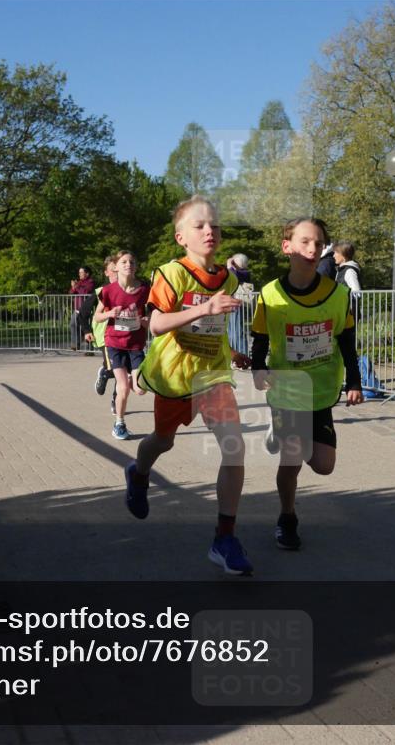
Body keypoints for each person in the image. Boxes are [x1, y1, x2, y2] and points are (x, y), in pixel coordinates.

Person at [127, 195, 254, 575]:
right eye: (199, 226)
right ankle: (139, 472)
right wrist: (204, 308)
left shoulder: (229, 278)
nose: (209, 231)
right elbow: (156, 324)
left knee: (235, 450)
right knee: (162, 441)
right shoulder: (170, 273)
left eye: (214, 225)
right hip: (175, 376)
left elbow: (213, 330)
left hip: (212, 375)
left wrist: (232, 353)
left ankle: (225, 537)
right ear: (181, 237)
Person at [251, 217, 364, 551]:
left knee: (325, 466)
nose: (312, 249)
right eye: (304, 242)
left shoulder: (337, 294)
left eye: (318, 243)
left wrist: (354, 382)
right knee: (293, 458)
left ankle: (285, 435)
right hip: (286, 388)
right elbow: (259, 336)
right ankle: (287, 519)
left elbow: (347, 341)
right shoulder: (270, 294)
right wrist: (258, 368)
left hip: (320, 388)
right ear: (287, 247)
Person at [94, 251, 149, 441]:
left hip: (135, 345)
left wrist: (143, 321)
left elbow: (151, 320)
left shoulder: (144, 290)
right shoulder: (108, 291)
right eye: (124, 262)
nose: (128, 264)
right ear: (116, 267)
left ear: (136, 266)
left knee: (141, 389)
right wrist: (110, 314)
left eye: (132, 261)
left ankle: (128, 380)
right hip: (115, 343)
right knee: (123, 388)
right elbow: (97, 316)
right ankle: (119, 423)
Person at [81, 255, 119, 415]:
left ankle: (117, 401)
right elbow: (83, 312)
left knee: (124, 372)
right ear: (106, 273)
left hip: (125, 336)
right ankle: (104, 373)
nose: (117, 273)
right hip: (105, 337)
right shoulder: (100, 292)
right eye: (113, 270)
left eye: (119, 269)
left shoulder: (130, 290)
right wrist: (87, 331)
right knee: (117, 369)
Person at [225, 253, 254, 357]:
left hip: (237, 305)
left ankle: (242, 354)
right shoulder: (238, 272)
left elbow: (232, 277)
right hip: (230, 305)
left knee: (237, 331)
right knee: (231, 331)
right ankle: (235, 355)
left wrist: (229, 265)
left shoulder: (244, 273)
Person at [333, 241, 361, 322]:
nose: (333, 255)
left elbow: (357, 292)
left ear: (343, 255)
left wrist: (349, 307)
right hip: (342, 312)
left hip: (348, 314)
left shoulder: (349, 271)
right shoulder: (342, 269)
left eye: (336, 253)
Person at [68, 266, 95, 351]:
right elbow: (71, 293)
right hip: (76, 308)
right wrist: (73, 287)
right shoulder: (79, 283)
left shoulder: (90, 282)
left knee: (86, 328)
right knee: (73, 324)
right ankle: (75, 344)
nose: (79, 274)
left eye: (81, 272)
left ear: (87, 273)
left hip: (85, 310)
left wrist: (76, 287)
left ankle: (89, 349)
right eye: (79, 272)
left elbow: (85, 292)